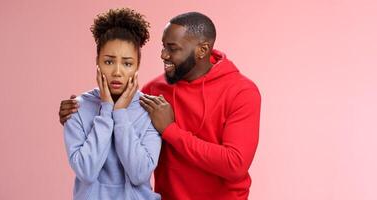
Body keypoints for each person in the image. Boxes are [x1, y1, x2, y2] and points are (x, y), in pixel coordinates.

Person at [60, 12, 261, 200]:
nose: (163, 55)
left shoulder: (242, 91)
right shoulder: (154, 91)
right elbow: (119, 108)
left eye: (172, 48)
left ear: (202, 50)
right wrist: (76, 112)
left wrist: (170, 130)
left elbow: (235, 164)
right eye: (163, 46)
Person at [62, 8, 161, 200]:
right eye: (108, 62)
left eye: (127, 63)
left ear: (137, 66)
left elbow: (139, 173)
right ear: (97, 61)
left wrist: (120, 113)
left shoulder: (149, 110)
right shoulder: (77, 108)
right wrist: (106, 109)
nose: (117, 72)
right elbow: (86, 171)